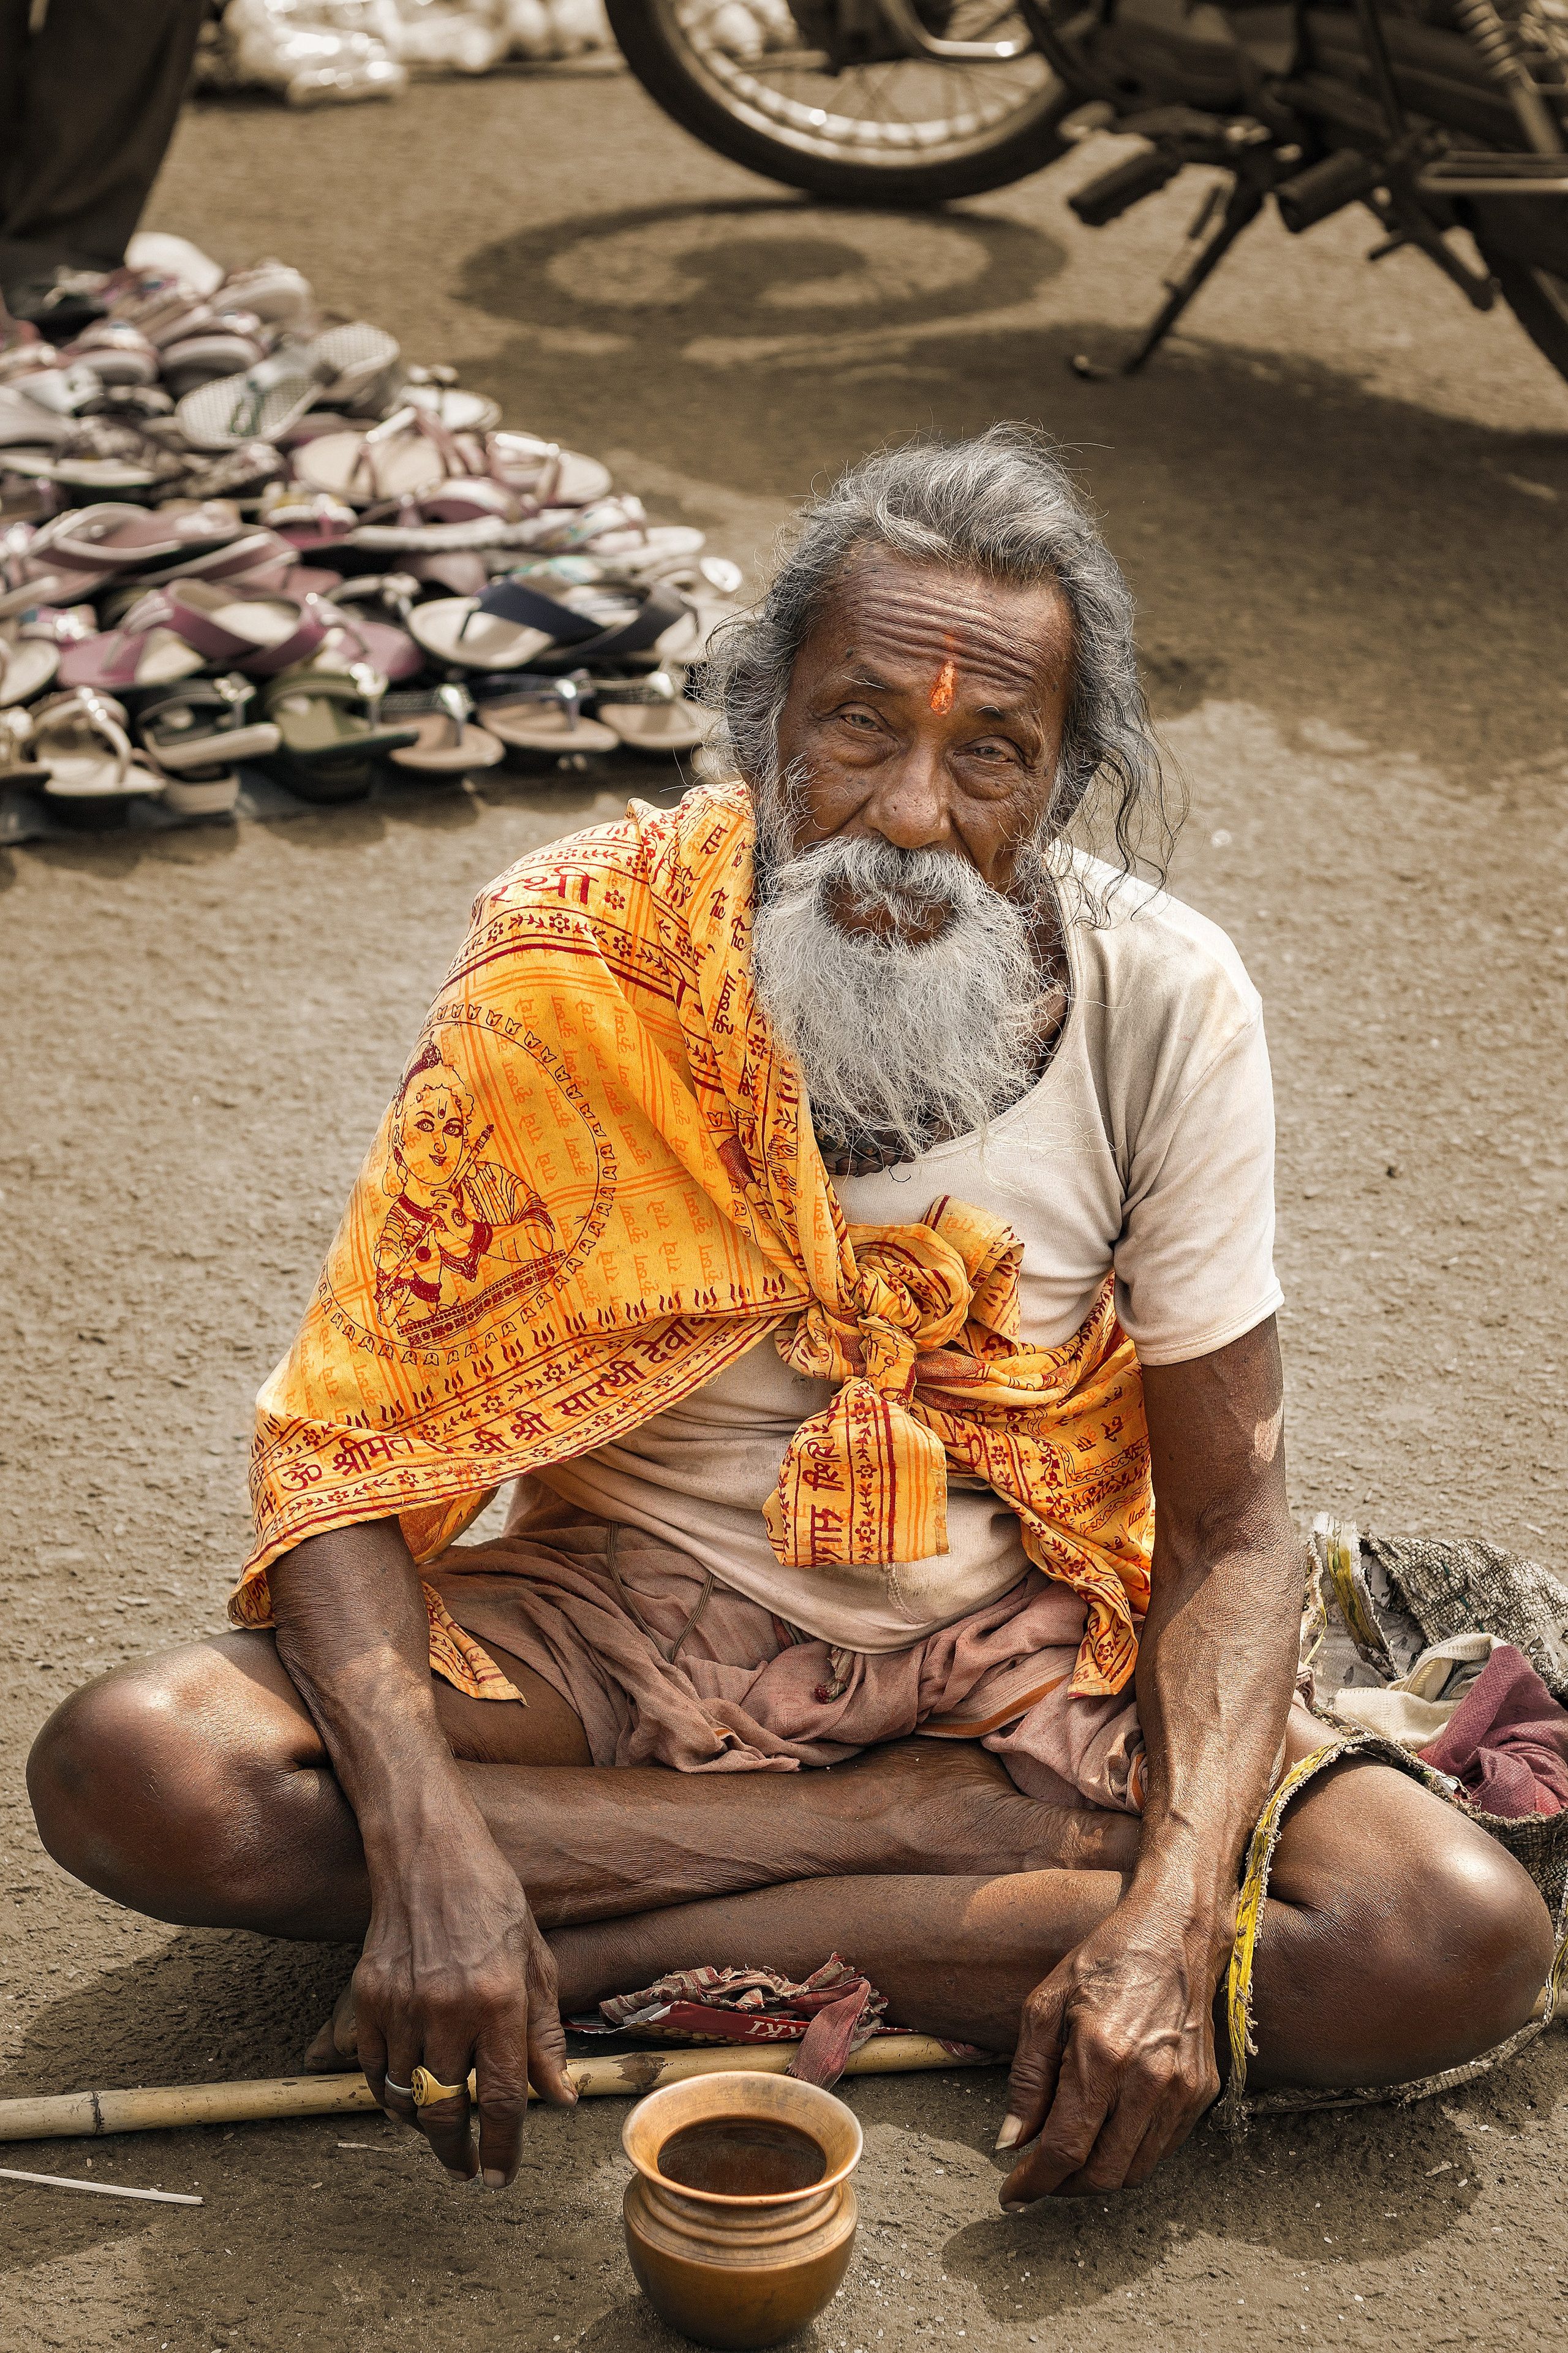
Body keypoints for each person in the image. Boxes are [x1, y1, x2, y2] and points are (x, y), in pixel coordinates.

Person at [28, 428, 1552, 2207]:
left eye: (989, 754)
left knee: (1438, 1935)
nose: (911, 812)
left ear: (1065, 783)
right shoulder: (574, 958)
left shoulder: (1167, 996)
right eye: (858, 729)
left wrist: (1161, 1925)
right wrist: (434, 1840)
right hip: (620, 1628)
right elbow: (353, 1457)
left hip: (1023, 1644)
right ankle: (909, 1845)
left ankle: (610, 1946)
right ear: (761, 727)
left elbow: (1229, 1522)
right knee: (151, 1774)